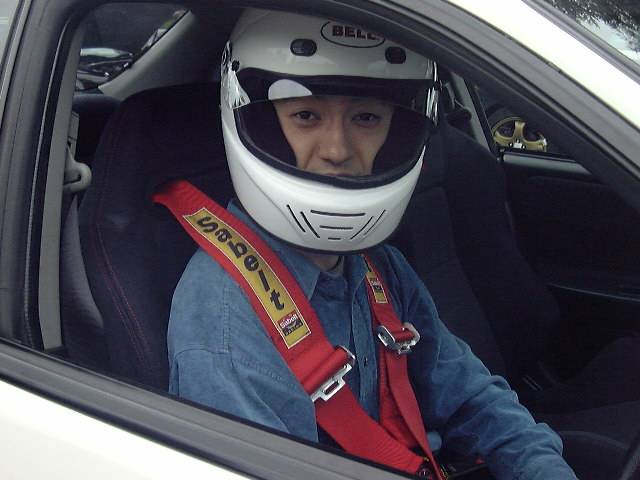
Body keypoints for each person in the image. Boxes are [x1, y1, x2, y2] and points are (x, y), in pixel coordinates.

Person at [167, 9, 579, 480]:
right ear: (261, 124)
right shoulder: (224, 319)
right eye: (306, 115)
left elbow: (471, 396)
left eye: (366, 117)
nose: (337, 149)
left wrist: (541, 468)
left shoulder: (377, 265)